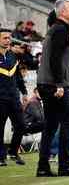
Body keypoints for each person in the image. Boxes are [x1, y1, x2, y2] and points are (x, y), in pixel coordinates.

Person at [36, 0, 69, 177]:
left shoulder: (55, 28)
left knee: (50, 127)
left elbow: (55, 56)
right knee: (67, 122)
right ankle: (65, 165)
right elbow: (55, 59)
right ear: (63, 13)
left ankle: (43, 167)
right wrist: (59, 84)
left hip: (45, 83)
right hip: (54, 85)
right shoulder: (60, 30)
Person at [0, 28, 27, 167]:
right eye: (4, 38)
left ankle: (13, 152)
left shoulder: (13, 56)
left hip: (14, 97)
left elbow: (18, 77)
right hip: (1, 98)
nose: (8, 40)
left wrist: (24, 93)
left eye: (9, 38)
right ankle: (0, 157)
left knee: (21, 125)